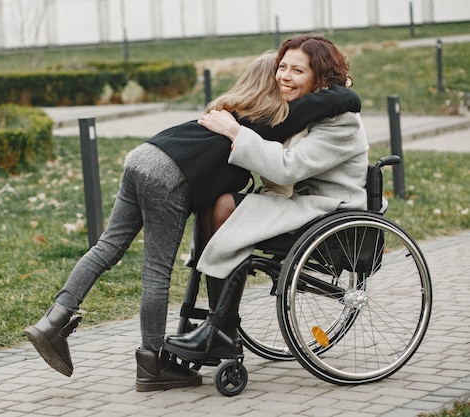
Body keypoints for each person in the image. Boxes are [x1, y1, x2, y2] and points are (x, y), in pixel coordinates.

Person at [25, 51, 361, 391]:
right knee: (157, 270)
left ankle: (54, 320)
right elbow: (341, 100)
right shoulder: (270, 119)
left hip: (144, 156)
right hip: (168, 178)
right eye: (281, 73)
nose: (286, 80)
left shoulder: (230, 108)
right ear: (269, 84)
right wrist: (344, 85)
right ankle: (152, 363)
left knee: (107, 247)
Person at [164, 34, 370, 360]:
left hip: (327, 208)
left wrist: (235, 131)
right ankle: (217, 330)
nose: (285, 76)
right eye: (282, 67)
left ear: (320, 76)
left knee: (225, 208)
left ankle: (221, 331)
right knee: (215, 204)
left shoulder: (340, 121)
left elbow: (288, 168)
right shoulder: (303, 108)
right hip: (295, 201)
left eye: (297, 71)